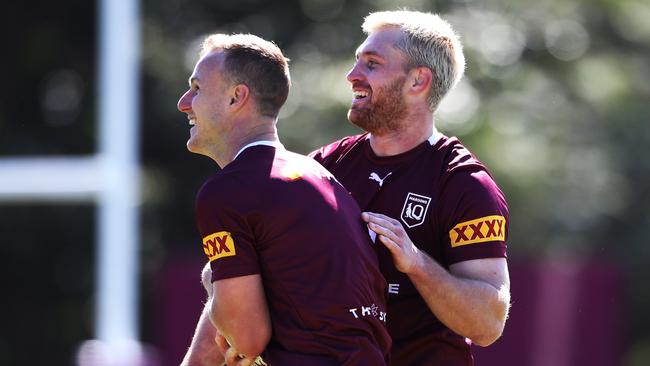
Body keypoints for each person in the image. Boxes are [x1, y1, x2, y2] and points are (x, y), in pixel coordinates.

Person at [309, 10, 511, 365]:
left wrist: (416, 263)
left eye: (371, 64)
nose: (352, 75)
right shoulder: (324, 166)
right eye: (357, 62)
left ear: (418, 81)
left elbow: (487, 324)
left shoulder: (464, 184)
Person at [177, 33, 391, 366]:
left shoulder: (229, 191)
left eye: (197, 88)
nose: (184, 102)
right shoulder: (318, 174)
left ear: (237, 97)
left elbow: (247, 339)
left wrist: (215, 288)